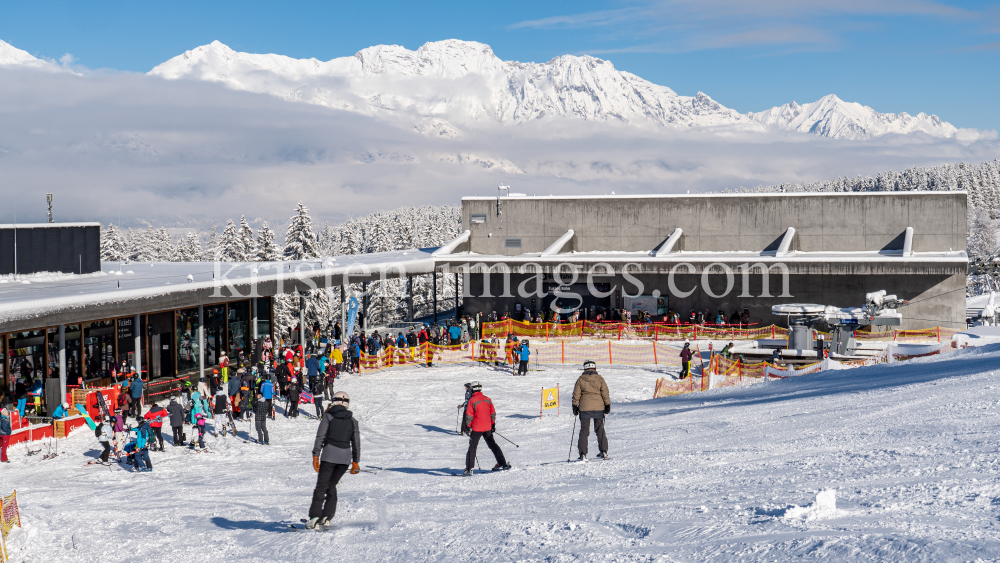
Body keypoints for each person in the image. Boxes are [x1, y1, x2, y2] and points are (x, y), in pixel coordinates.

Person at [307, 391, 361, 529]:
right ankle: (327, 516)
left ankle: (315, 516)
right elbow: (356, 442)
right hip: (345, 459)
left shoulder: (328, 417)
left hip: (329, 456)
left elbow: (320, 437)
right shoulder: (353, 421)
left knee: (321, 486)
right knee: (331, 485)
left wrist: (315, 456)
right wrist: (355, 462)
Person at [462, 382, 510, 476]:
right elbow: (493, 413)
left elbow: (469, 416)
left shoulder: (472, 400)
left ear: (473, 390)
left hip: (477, 428)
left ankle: (469, 468)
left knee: (472, 447)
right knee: (493, 445)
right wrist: (492, 425)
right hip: (487, 427)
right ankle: (502, 463)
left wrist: (467, 427)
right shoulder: (487, 399)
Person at [572, 360, 611, 461]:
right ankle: (604, 451)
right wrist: (607, 405)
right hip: (599, 407)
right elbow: (605, 393)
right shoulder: (600, 379)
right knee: (600, 429)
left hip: (584, 408)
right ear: (595, 368)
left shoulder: (580, 380)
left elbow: (576, 394)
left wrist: (575, 406)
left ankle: (583, 454)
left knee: (584, 431)